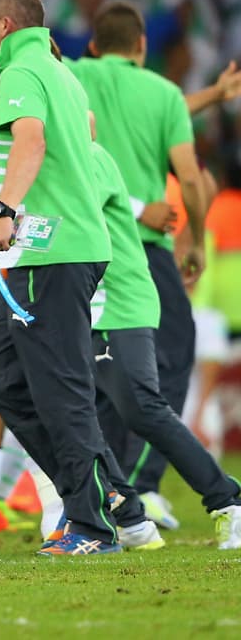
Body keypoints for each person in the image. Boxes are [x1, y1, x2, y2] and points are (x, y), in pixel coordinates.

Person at [0, 0, 130, 555]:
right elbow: (78, 138)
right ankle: (92, 493)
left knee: (62, 390)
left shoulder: (21, 71)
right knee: (4, 377)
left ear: (6, 26)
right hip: (53, 251)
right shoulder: (58, 70)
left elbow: (31, 144)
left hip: (52, 252)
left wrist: (3, 211)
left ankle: (93, 522)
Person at [66, 0, 208, 526]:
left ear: (95, 46)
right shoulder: (163, 93)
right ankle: (145, 484)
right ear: (143, 46)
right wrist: (196, 240)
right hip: (142, 248)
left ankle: (112, 489)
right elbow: (190, 178)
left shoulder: (74, 76)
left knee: (98, 373)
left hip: (80, 249)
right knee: (165, 364)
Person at [88, 140, 241, 549]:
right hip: (95, 303)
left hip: (117, 302)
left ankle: (226, 501)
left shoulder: (88, 157)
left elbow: (198, 181)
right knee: (89, 412)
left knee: (141, 407)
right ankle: (116, 515)